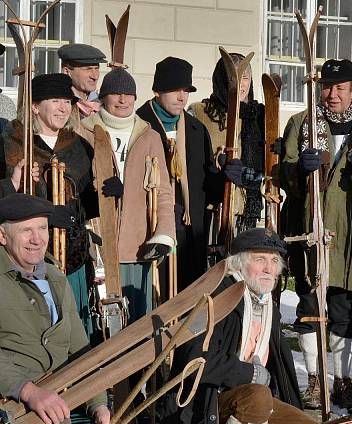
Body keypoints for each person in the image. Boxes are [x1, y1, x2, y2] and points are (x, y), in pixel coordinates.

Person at [161, 228, 336, 424]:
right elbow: (193, 359)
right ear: (240, 263)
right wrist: (248, 373)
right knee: (256, 393)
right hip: (207, 408)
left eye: (273, 261)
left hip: (255, 408)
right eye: (260, 259)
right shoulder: (214, 299)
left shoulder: (269, 307)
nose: (268, 268)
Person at [0, 194, 125, 424]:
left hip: (48, 398)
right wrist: (27, 390)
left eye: (41, 228)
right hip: (9, 397)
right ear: (2, 236)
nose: (37, 238)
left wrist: (99, 405)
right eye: (25, 230)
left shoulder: (55, 278)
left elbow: (78, 348)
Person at [281, 59, 352, 413]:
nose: (332, 95)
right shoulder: (300, 124)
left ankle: (341, 381)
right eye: (327, 87)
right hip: (310, 229)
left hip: (349, 234)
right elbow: (285, 177)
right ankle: (314, 379)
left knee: (343, 309)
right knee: (310, 306)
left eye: (340, 88)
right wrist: (298, 170)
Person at [0, 73, 97, 338]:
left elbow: (89, 207)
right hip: (26, 254)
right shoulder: (12, 143)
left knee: (74, 327)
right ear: (35, 106)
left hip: (73, 256)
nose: (63, 108)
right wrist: (46, 213)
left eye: (67, 101)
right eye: (55, 101)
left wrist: (106, 195)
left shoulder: (80, 147)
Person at [81, 68, 176, 322]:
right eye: (115, 94)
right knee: (101, 319)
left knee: (136, 320)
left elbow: (164, 191)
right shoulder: (85, 132)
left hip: (137, 245)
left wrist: (164, 233)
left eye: (128, 94)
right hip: (98, 244)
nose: (122, 100)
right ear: (103, 97)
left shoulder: (150, 136)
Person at [137, 56, 233, 290]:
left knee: (187, 298)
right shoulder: (140, 125)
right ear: (158, 90)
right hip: (150, 227)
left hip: (191, 233)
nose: (181, 97)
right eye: (174, 90)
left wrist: (226, 177)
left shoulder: (195, 130)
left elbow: (208, 188)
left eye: (185, 90)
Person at [190, 52, 265, 234]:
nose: (240, 84)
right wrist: (216, 170)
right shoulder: (200, 113)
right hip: (212, 208)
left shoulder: (260, 116)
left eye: (245, 77)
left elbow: (265, 172)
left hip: (246, 210)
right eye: (232, 77)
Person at [59, 43, 106, 119]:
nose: (95, 76)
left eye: (97, 68)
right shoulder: (59, 106)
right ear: (67, 72)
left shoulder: (105, 103)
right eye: (88, 69)